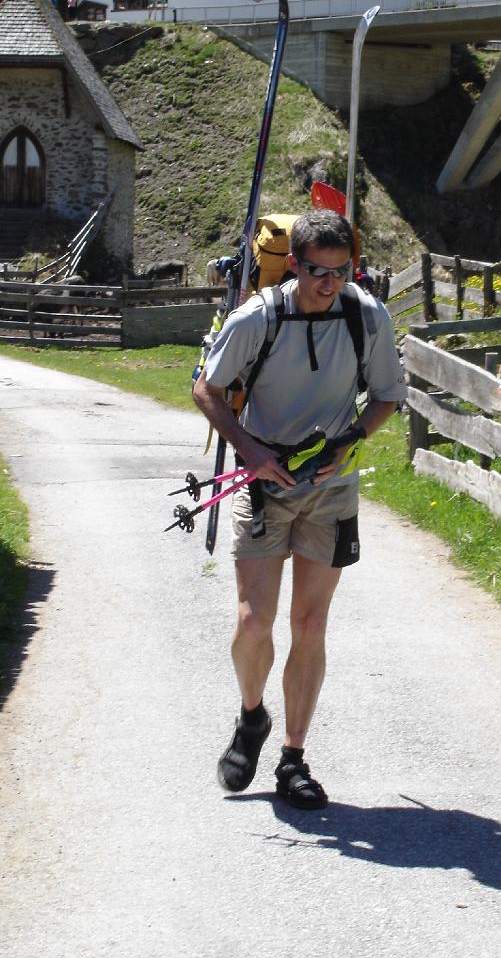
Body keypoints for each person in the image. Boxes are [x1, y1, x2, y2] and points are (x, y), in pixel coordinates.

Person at [192, 209, 406, 809]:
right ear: (294, 265)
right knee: (253, 623)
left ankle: (292, 758)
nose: (329, 284)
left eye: (341, 273)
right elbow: (206, 387)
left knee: (310, 625)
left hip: (331, 489)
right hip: (262, 484)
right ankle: (251, 716)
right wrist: (250, 450)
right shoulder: (258, 318)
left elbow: (388, 394)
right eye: (317, 272)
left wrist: (351, 441)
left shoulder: (366, 315)